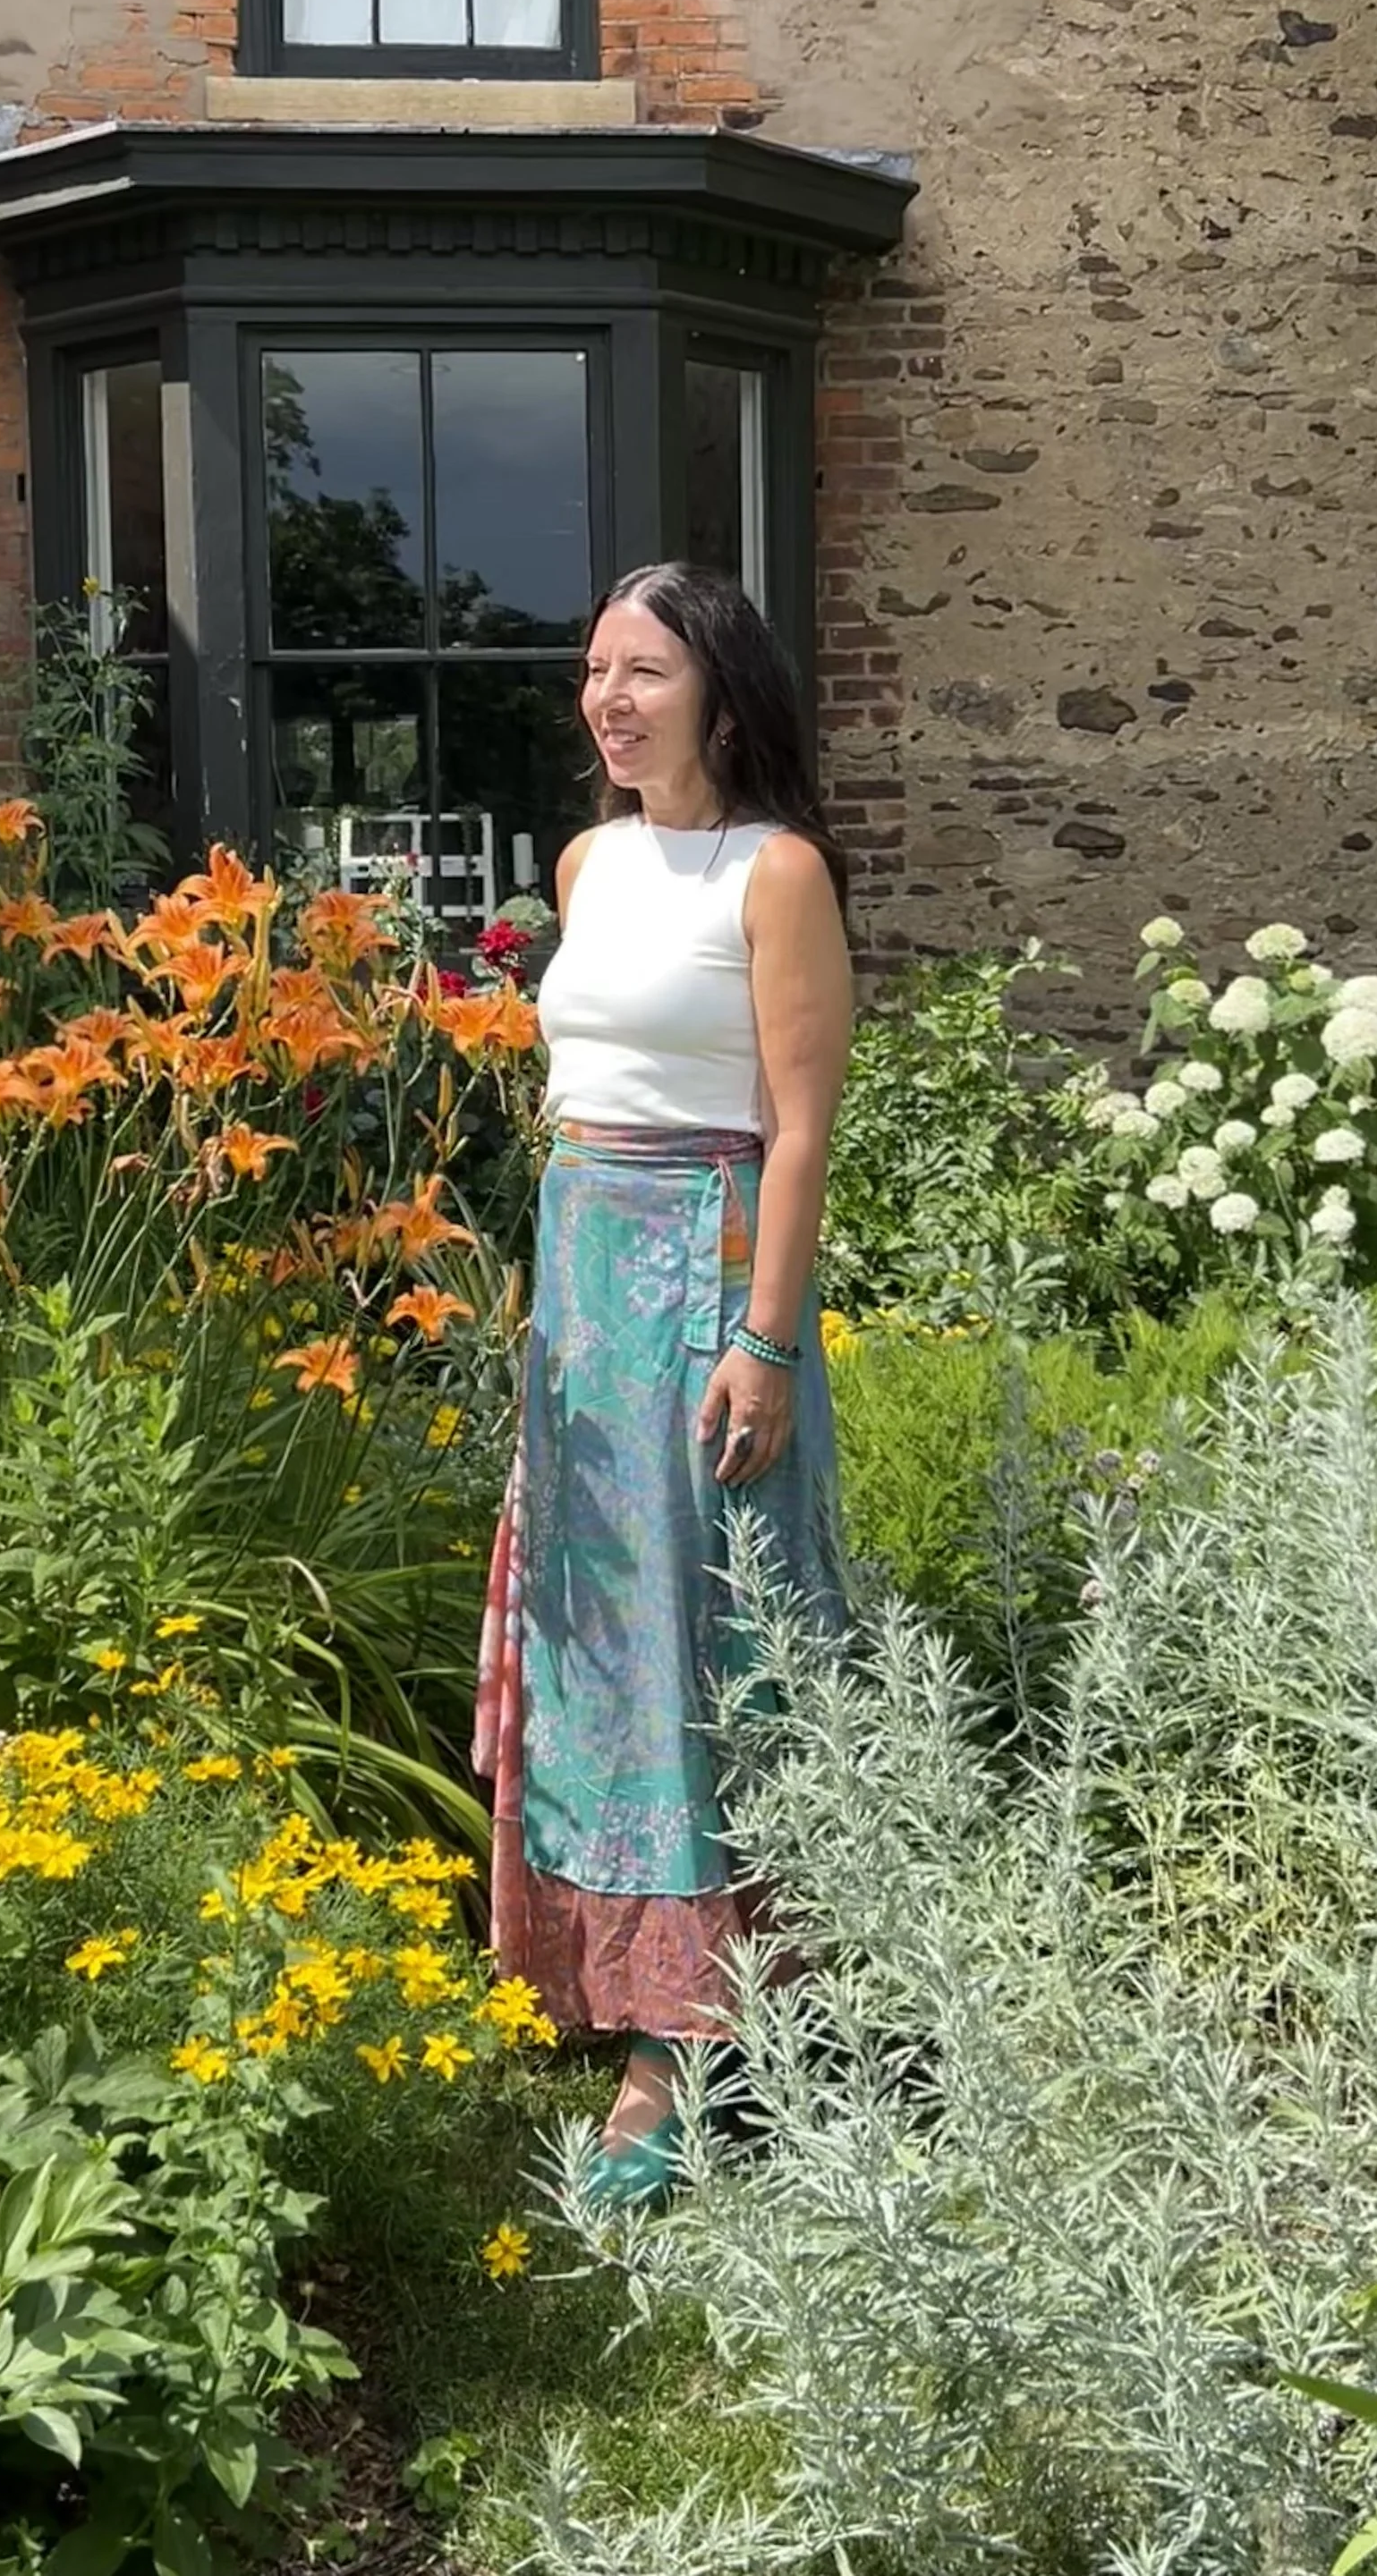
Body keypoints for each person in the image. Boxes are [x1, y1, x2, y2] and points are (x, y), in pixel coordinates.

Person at [472, 561, 854, 2207]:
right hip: (584, 1273)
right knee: (601, 1633)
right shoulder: (587, 862)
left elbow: (800, 1131)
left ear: (719, 693)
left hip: (706, 1270)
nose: (609, 702)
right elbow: (586, 1088)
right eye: (594, 672)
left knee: (708, 1628)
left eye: (643, 672)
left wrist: (764, 1343)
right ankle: (608, 1972)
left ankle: (691, 2043)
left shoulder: (777, 874)